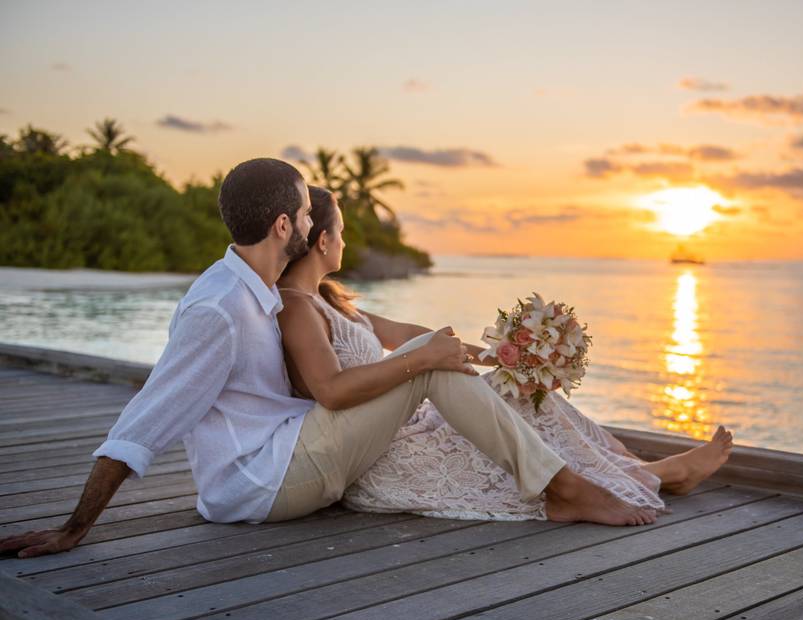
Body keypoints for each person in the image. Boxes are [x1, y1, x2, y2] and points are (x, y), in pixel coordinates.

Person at [0, 159, 672, 561]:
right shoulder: (218, 309)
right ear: (285, 227)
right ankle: (564, 490)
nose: (315, 221)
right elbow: (146, 419)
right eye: (303, 208)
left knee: (426, 356)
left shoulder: (259, 290)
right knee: (425, 362)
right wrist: (72, 528)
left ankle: (579, 479)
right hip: (269, 480)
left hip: (289, 459)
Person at [271, 186, 734, 524]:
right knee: (489, 401)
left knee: (517, 390)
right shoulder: (296, 308)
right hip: (375, 450)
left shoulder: (331, 302)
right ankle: (615, 483)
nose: (346, 242)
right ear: (324, 240)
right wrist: (427, 359)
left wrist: (500, 358)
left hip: (403, 420)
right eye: (343, 233)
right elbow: (330, 391)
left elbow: (412, 334)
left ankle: (646, 472)